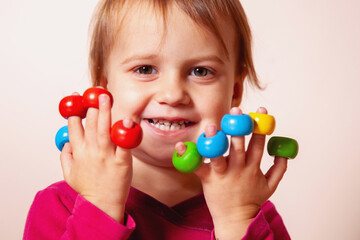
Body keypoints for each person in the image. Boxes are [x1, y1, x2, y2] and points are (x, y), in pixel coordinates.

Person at [23, 0, 291, 239]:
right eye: (145, 69)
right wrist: (99, 207)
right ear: (105, 84)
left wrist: (236, 222)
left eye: (201, 71)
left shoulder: (253, 212)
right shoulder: (61, 204)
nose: (172, 94)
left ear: (235, 90)